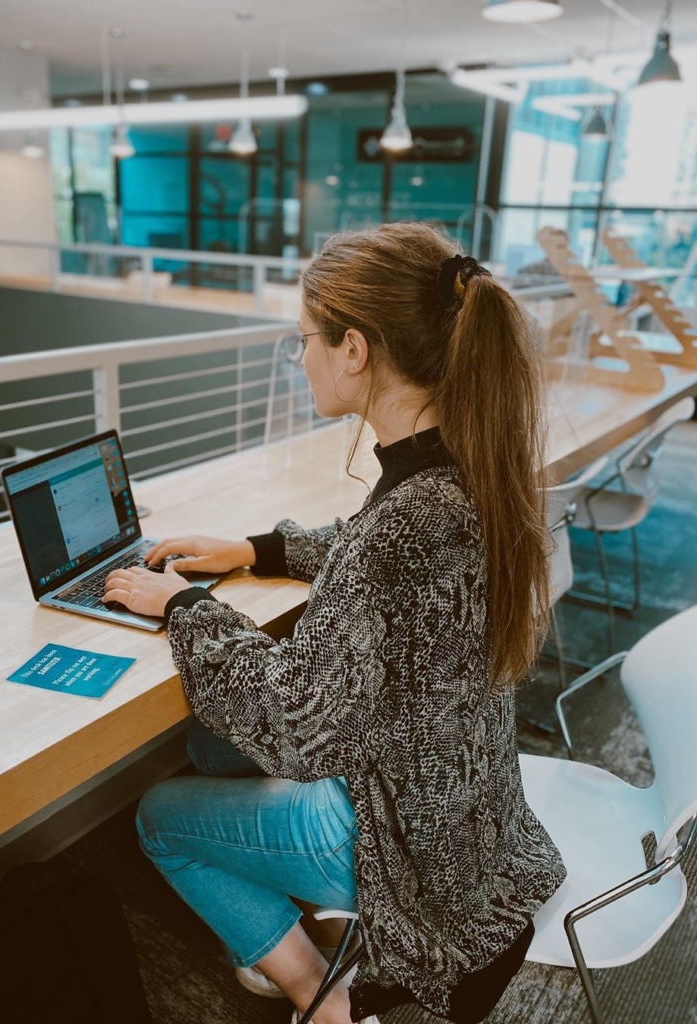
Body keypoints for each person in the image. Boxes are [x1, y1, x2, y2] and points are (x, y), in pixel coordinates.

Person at [102, 223, 567, 1024]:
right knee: (208, 746)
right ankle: (301, 917)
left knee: (158, 818)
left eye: (305, 341)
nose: (303, 358)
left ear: (354, 350)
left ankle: (319, 995)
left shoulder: (409, 518)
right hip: (464, 808)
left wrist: (181, 606)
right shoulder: (467, 464)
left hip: (404, 848)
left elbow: (295, 728)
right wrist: (256, 548)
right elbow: (372, 554)